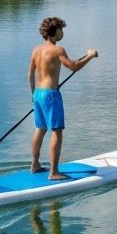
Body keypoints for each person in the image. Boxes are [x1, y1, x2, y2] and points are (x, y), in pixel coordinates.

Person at [28, 16, 97, 179]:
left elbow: (30, 74)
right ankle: (53, 172)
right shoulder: (58, 50)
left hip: (38, 94)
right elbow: (74, 67)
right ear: (54, 32)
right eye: (61, 29)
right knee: (57, 132)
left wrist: (33, 95)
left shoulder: (36, 50)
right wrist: (90, 56)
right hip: (51, 96)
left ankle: (35, 164)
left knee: (40, 129)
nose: (62, 32)